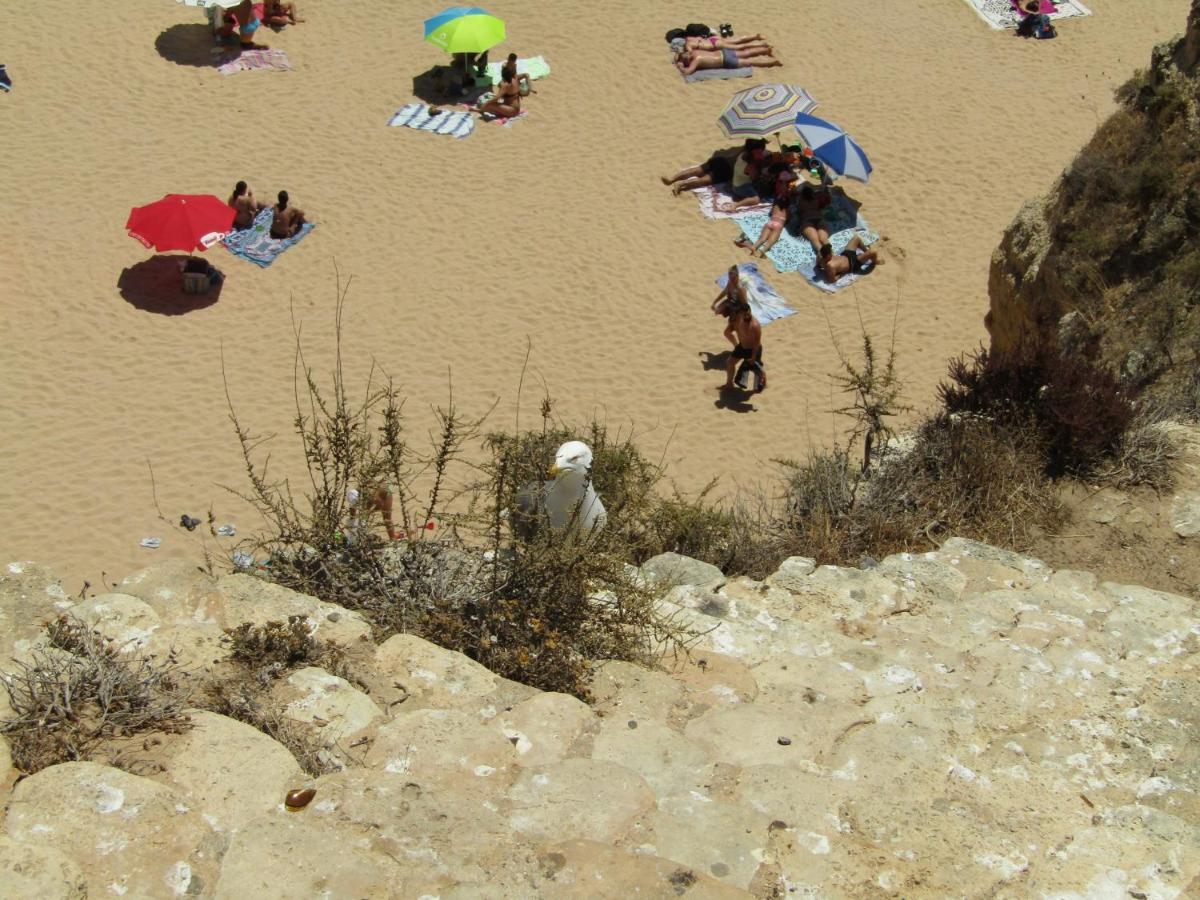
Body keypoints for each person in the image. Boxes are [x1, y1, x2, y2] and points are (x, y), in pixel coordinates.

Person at [719, 299, 763, 391]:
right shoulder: (737, 320)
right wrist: (733, 340)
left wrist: (754, 356)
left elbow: (757, 343)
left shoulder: (755, 325)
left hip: (753, 349)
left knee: (756, 369)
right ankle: (729, 384)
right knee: (730, 363)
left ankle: (763, 382)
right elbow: (728, 331)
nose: (746, 315)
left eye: (748, 313)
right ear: (740, 314)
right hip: (742, 347)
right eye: (743, 314)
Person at [745, 184, 794, 258]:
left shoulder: (775, 206)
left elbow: (771, 212)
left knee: (762, 238)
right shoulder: (787, 210)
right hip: (778, 225)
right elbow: (789, 218)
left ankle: (755, 246)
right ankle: (763, 250)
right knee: (771, 240)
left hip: (770, 222)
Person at [815, 235, 884, 283]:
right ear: (828, 256)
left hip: (846, 255)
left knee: (856, 238)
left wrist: (820, 267)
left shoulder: (820, 255)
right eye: (831, 253)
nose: (832, 253)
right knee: (873, 252)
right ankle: (875, 261)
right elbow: (831, 280)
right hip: (853, 264)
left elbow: (817, 266)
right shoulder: (830, 265)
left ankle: (866, 251)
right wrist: (841, 275)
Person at [674, 47, 780, 77]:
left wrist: (680, 67)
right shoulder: (694, 51)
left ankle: (773, 62)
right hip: (723, 52)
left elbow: (687, 72)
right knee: (746, 52)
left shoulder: (696, 60)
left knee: (750, 62)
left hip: (725, 60)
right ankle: (765, 50)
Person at [792, 183, 831, 253]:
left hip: (807, 220)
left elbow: (798, 212)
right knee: (824, 239)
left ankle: (822, 254)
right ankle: (830, 252)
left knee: (815, 241)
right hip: (819, 218)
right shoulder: (815, 200)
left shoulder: (801, 201)